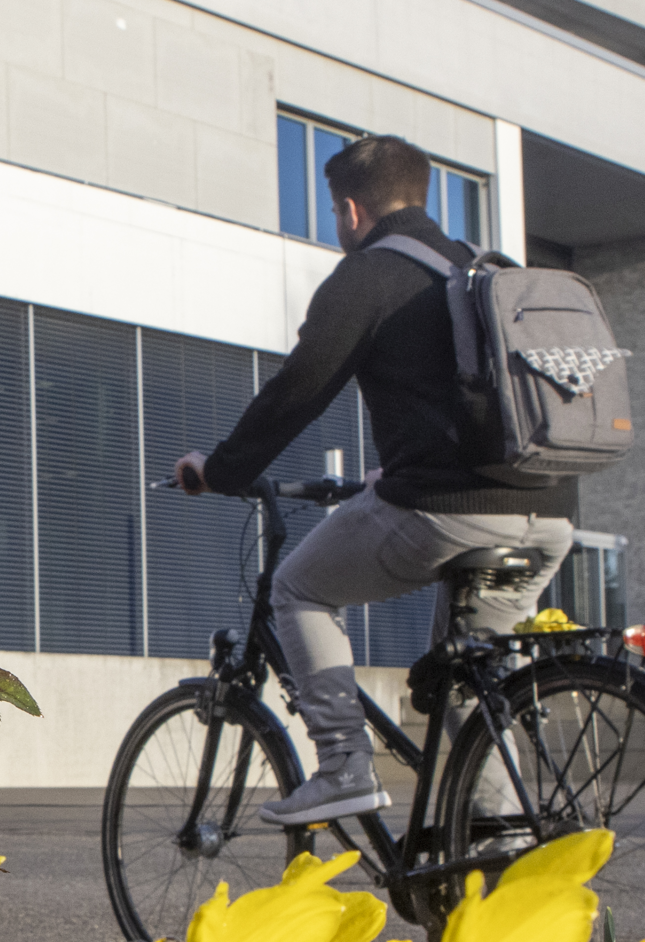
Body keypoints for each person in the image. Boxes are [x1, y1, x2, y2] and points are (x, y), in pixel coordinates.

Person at [171, 133, 575, 825]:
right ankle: (496, 847)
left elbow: (299, 391)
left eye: (335, 215)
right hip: (549, 512)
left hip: (448, 511)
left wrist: (224, 468)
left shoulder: (368, 276)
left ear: (351, 211)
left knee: (298, 588)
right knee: (470, 690)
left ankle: (341, 766)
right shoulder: (479, 272)